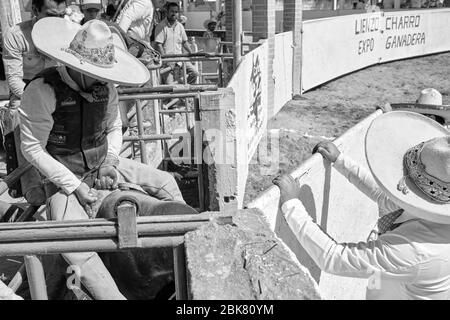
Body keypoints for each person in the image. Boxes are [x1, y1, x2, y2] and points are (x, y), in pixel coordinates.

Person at [20, 17, 185, 299]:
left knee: (165, 181)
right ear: (77, 66)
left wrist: (110, 160)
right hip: (60, 180)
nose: (105, 79)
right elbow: (32, 148)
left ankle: (185, 253)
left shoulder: (105, 88)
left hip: (100, 164)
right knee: (74, 243)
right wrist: (75, 187)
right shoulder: (42, 91)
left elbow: (114, 127)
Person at [273, 111, 450, 299]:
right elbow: (385, 198)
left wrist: (292, 205)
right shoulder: (432, 218)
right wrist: (341, 161)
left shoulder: (415, 249)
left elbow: (333, 258)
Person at [1, 0, 67, 204]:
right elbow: (13, 80)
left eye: (60, 15)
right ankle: (32, 192)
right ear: (35, 11)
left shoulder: (66, 33)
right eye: (50, 14)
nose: (56, 21)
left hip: (60, 94)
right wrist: (37, 101)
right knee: (20, 122)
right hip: (24, 96)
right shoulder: (16, 35)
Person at [154, 2, 198, 84]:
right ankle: (176, 88)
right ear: (167, 12)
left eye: (176, 12)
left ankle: (178, 86)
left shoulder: (180, 26)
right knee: (170, 88)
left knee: (194, 73)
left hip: (180, 59)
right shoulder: (161, 26)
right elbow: (158, 45)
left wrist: (192, 53)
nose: (174, 14)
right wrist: (166, 61)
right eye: (172, 11)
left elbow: (184, 42)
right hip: (167, 61)